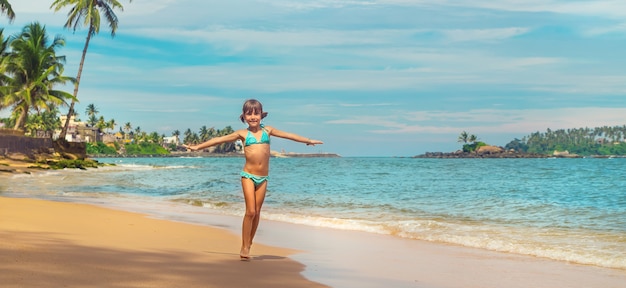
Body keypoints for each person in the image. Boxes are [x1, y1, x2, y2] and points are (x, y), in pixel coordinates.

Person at [184, 99, 323, 260]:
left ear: (261, 115)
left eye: (256, 113)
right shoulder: (242, 134)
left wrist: (308, 140)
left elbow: (288, 135)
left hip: (263, 178)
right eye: (249, 114)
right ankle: (244, 246)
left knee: (257, 212)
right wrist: (197, 147)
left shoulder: (268, 131)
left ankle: (249, 243)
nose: (253, 117)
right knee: (250, 211)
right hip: (248, 176)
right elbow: (219, 140)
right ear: (243, 116)